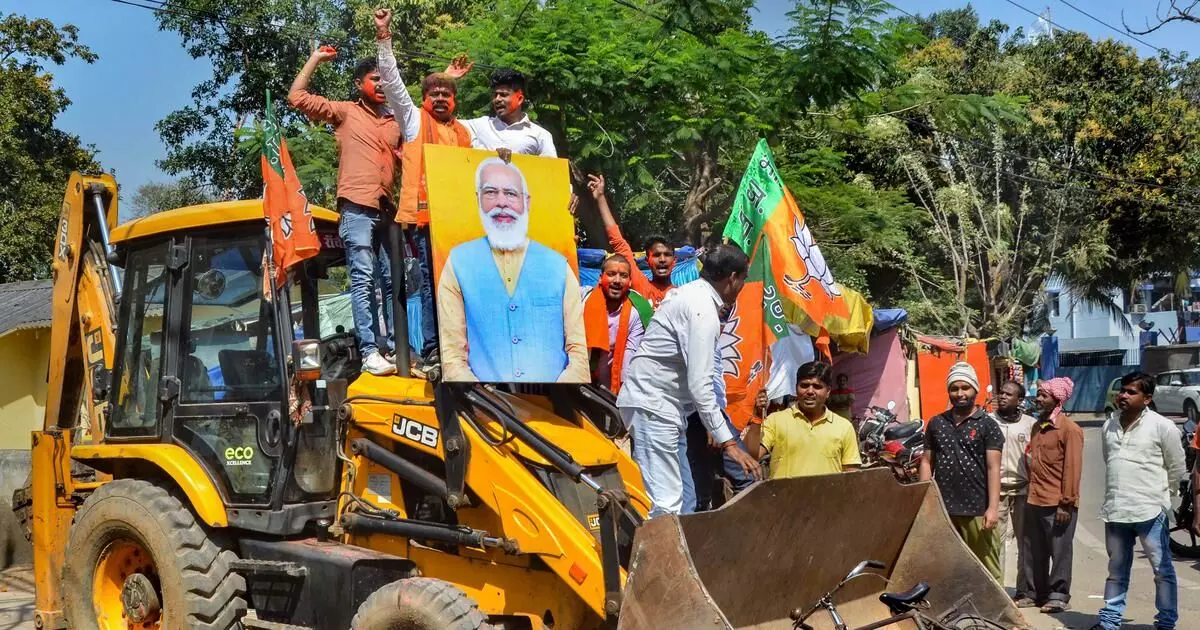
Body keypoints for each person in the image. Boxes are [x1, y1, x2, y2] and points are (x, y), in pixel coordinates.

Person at [616, 245, 761, 517]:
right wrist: (729, 443)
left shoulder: (694, 296)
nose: (743, 285)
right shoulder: (701, 309)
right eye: (744, 279)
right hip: (653, 406)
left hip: (666, 409)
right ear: (732, 278)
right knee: (667, 504)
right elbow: (700, 384)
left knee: (683, 501)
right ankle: (658, 560)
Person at [288, 45, 400, 376]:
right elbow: (297, 97)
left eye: (385, 80)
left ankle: (394, 347)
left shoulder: (396, 122)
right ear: (358, 83)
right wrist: (316, 59)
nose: (380, 85)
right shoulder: (345, 112)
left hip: (388, 209)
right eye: (374, 79)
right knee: (364, 278)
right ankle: (369, 351)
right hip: (357, 207)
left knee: (395, 280)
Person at [374, 8, 472, 371]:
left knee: (463, 284)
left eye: (447, 94)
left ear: (455, 100)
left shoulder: (465, 132)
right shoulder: (414, 121)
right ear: (425, 100)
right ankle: (434, 347)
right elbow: (393, 82)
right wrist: (384, 36)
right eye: (435, 95)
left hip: (462, 224)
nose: (442, 99)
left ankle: (461, 345)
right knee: (433, 283)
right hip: (429, 220)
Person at [437, 158, 587, 383]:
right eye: (490, 192)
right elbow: (452, 356)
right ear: (477, 199)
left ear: (527, 202)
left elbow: (578, 354)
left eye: (510, 193)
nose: (501, 202)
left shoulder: (558, 266)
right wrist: (483, 402)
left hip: (553, 409)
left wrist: (555, 400)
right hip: (481, 409)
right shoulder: (458, 262)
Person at [1092, 372, 1185, 630]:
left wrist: (1164, 498)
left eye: (1131, 392)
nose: (1123, 395)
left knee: (1162, 570)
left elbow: (1177, 467)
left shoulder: (1162, 426)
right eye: (1122, 390)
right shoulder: (1108, 425)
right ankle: (1110, 621)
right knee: (1116, 570)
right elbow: (1109, 461)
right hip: (1116, 509)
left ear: (1147, 398)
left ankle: (1166, 623)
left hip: (1150, 510)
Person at [919, 362, 1004, 580]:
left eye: (965, 388)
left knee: (987, 569)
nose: (960, 393)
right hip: (944, 510)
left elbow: (994, 467)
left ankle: (995, 613)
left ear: (975, 389)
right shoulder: (937, 423)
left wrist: (993, 508)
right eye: (954, 388)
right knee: (949, 567)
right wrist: (924, 502)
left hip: (977, 509)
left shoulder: (987, 425)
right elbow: (927, 462)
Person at [1022, 377, 1083, 614]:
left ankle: (1058, 595)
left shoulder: (1069, 430)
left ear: (1057, 399)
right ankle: (1035, 593)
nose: (1038, 399)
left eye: (1043, 395)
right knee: (1034, 550)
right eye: (1038, 394)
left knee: (1060, 552)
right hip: (1034, 500)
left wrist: (1066, 504)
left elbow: (1072, 468)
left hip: (1058, 503)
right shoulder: (1038, 427)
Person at [745, 361, 861, 479]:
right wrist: (757, 417)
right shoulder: (775, 420)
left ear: (828, 392)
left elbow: (851, 476)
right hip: (783, 497)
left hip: (827, 497)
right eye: (804, 385)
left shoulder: (844, 427)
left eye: (817, 386)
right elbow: (751, 457)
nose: (810, 391)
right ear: (796, 388)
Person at [587, 174, 675, 307]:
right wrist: (600, 198)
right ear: (647, 261)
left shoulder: (683, 295)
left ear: (674, 261)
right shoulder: (640, 285)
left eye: (667, 255)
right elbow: (618, 242)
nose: (662, 259)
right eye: (656, 255)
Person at [992, 380, 1036, 602]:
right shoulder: (989, 423)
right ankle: (996, 590)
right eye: (1001, 392)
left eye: (1008, 394)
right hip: (996, 493)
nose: (1002, 396)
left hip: (1023, 492)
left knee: (1025, 542)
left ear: (1019, 400)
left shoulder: (1030, 424)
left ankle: (1025, 591)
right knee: (995, 543)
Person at [581, 254, 651, 393]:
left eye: (623, 276)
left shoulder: (636, 310)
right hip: (579, 381)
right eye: (611, 274)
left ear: (630, 281)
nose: (617, 281)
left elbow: (630, 355)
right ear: (600, 278)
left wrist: (624, 393)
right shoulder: (582, 298)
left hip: (612, 390)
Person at [462, 68, 557, 158]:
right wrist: (448, 77)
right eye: (495, 95)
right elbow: (448, 124)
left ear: (520, 99)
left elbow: (551, 171)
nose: (497, 99)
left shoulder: (540, 135)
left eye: (503, 95)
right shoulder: (479, 125)